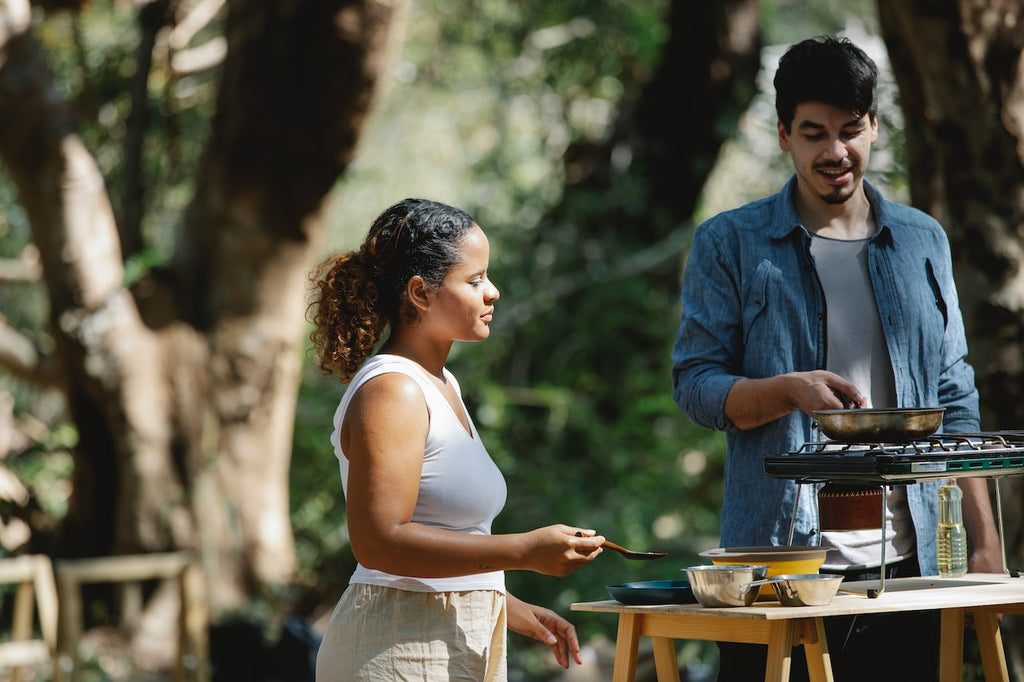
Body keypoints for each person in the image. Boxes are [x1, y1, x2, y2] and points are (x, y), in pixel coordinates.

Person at [671, 36, 1002, 682]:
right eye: (813, 133)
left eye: (851, 130)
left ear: (874, 127)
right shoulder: (730, 243)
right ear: (783, 135)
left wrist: (984, 542)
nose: (835, 152)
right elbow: (696, 386)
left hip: (909, 569)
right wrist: (786, 391)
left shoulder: (921, 242)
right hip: (778, 573)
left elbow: (955, 398)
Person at [308, 198, 605, 681]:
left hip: (446, 644)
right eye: (475, 279)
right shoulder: (393, 390)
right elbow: (379, 543)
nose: (494, 292)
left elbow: (438, 540)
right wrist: (524, 551)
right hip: (395, 650)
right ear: (420, 293)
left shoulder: (443, 384)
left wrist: (504, 602)